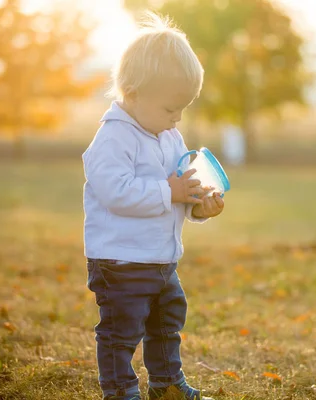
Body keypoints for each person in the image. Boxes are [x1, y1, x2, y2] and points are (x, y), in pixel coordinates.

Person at [82, 11, 223, 400]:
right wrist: (171, 192)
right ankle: (121, 390)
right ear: (133, 92)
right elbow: (118, 193)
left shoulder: (168, 136)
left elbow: (180, 189)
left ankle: (166, 385)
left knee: (166, 324)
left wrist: (197, 204)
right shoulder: (113, 139)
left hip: (161, 260)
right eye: (170, 108)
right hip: (121, 260)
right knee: (121, 330)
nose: (177, 119)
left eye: (183, 109)